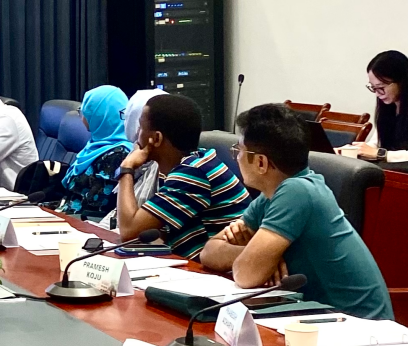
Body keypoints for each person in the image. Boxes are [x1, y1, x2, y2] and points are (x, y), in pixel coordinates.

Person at [200, 103, 393, 319]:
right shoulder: (270, 196)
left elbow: (245, 275)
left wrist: (257, 259)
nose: (236, 157)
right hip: (317, 316)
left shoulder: (297, 191)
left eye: (239, 151)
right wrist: (257, 255)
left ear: (261, 163)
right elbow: (208, 252)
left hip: (361, 327)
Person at [115, 93, 250, 258]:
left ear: (156, 138)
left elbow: (129, 231)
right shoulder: (181, 167)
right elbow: (155, 232)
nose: (137, 135)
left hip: (216, 268)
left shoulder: (194, 173)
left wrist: (126, 168)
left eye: (141, 127)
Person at [38, 85, 134, 219]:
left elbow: (94, 208)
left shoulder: (117, 155)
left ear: (98, 115)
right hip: (66, 217)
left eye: (83, 111)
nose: (81, 116)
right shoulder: (94, 146)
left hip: (82, 225)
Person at [363, 49, 408, 152]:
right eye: (373, 87)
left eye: (381, 87)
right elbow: (376, 143)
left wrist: (379, 154)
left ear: (401, 81)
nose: (377, 93)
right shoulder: (388, 107)